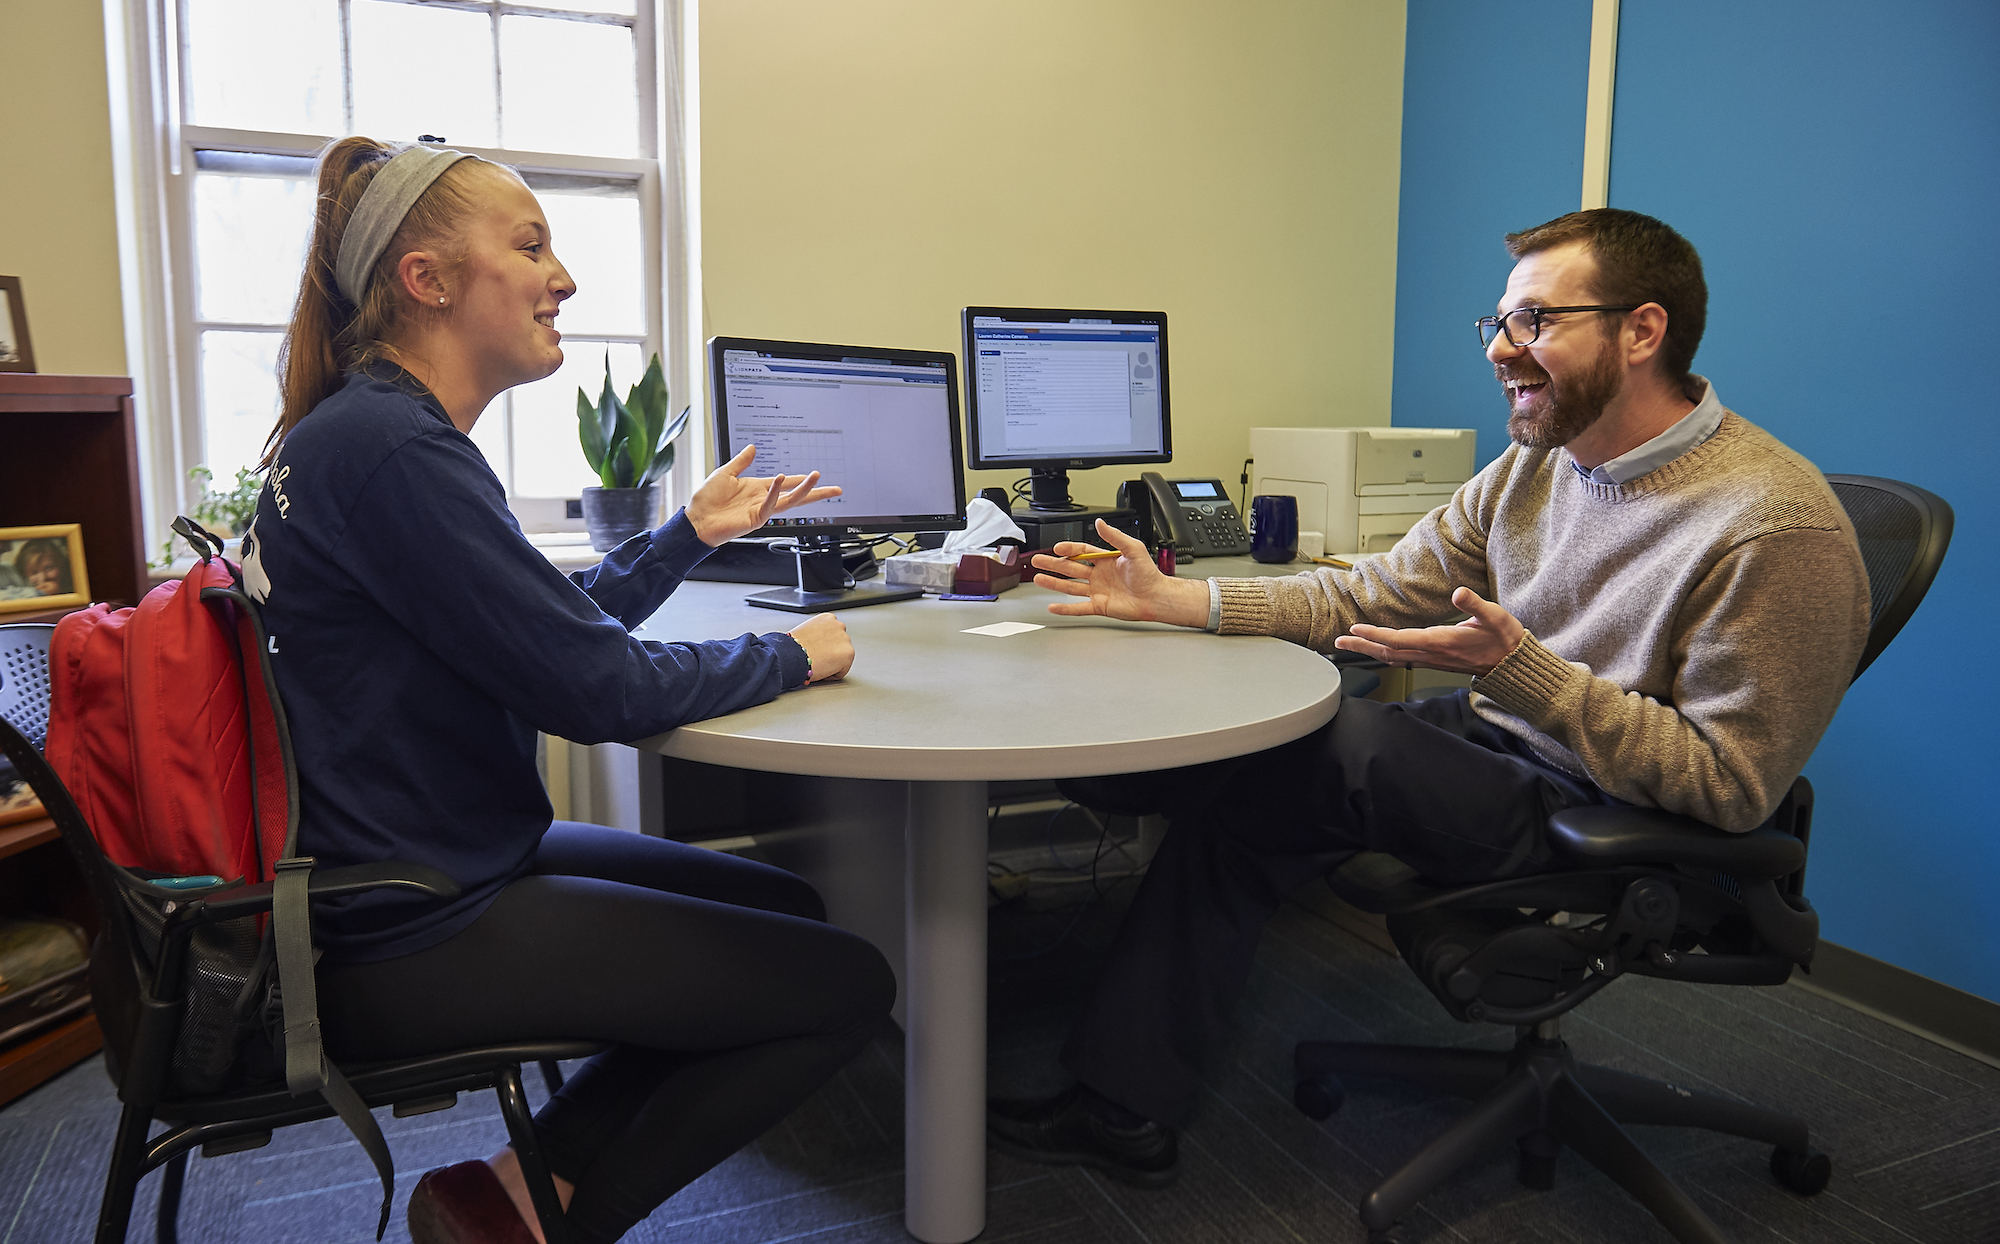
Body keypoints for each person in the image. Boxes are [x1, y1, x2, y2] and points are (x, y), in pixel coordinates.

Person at [987, 208, 1870, 1186]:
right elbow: (1364, 588)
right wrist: (1177, 599)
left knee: (1325, 745)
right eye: (1495, 323)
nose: (1501, 349)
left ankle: (1137, 841)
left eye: (1533, 321)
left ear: (1640, 331)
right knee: (1264, 786)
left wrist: (1518, 669)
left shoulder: (1772, 528)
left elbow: (1727, 785)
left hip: (1613, 804)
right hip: (1505, 741)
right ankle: (1125, 1102)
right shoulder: (1540, 462)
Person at [240, 136, 897, 1244]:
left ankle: (523, 1183)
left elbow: (547, 629)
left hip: (418, 859)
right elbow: (596, 687)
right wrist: (795, 653)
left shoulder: (371, 433)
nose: (565, 277)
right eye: (532, 245)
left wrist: (683, 534)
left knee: (786, 907)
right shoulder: (396, 451)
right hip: (408, 920)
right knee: (845, 984)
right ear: (428, 279)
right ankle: (553, 1219)